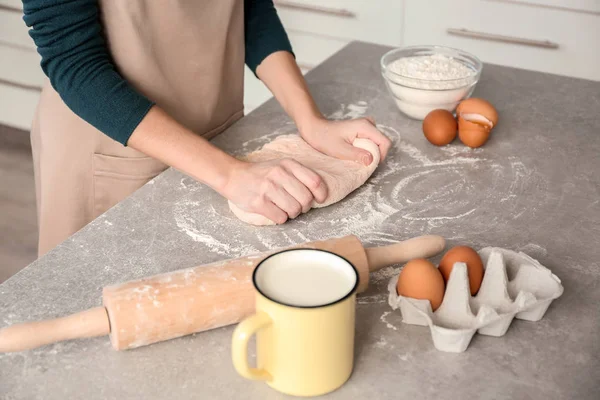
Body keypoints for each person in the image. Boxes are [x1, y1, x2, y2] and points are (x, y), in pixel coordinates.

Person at [23, 0, 392, 257]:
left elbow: (252, 10)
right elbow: (74, 61)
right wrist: (230, 175)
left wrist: (310, 121)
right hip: (110, 144)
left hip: (218, 134)